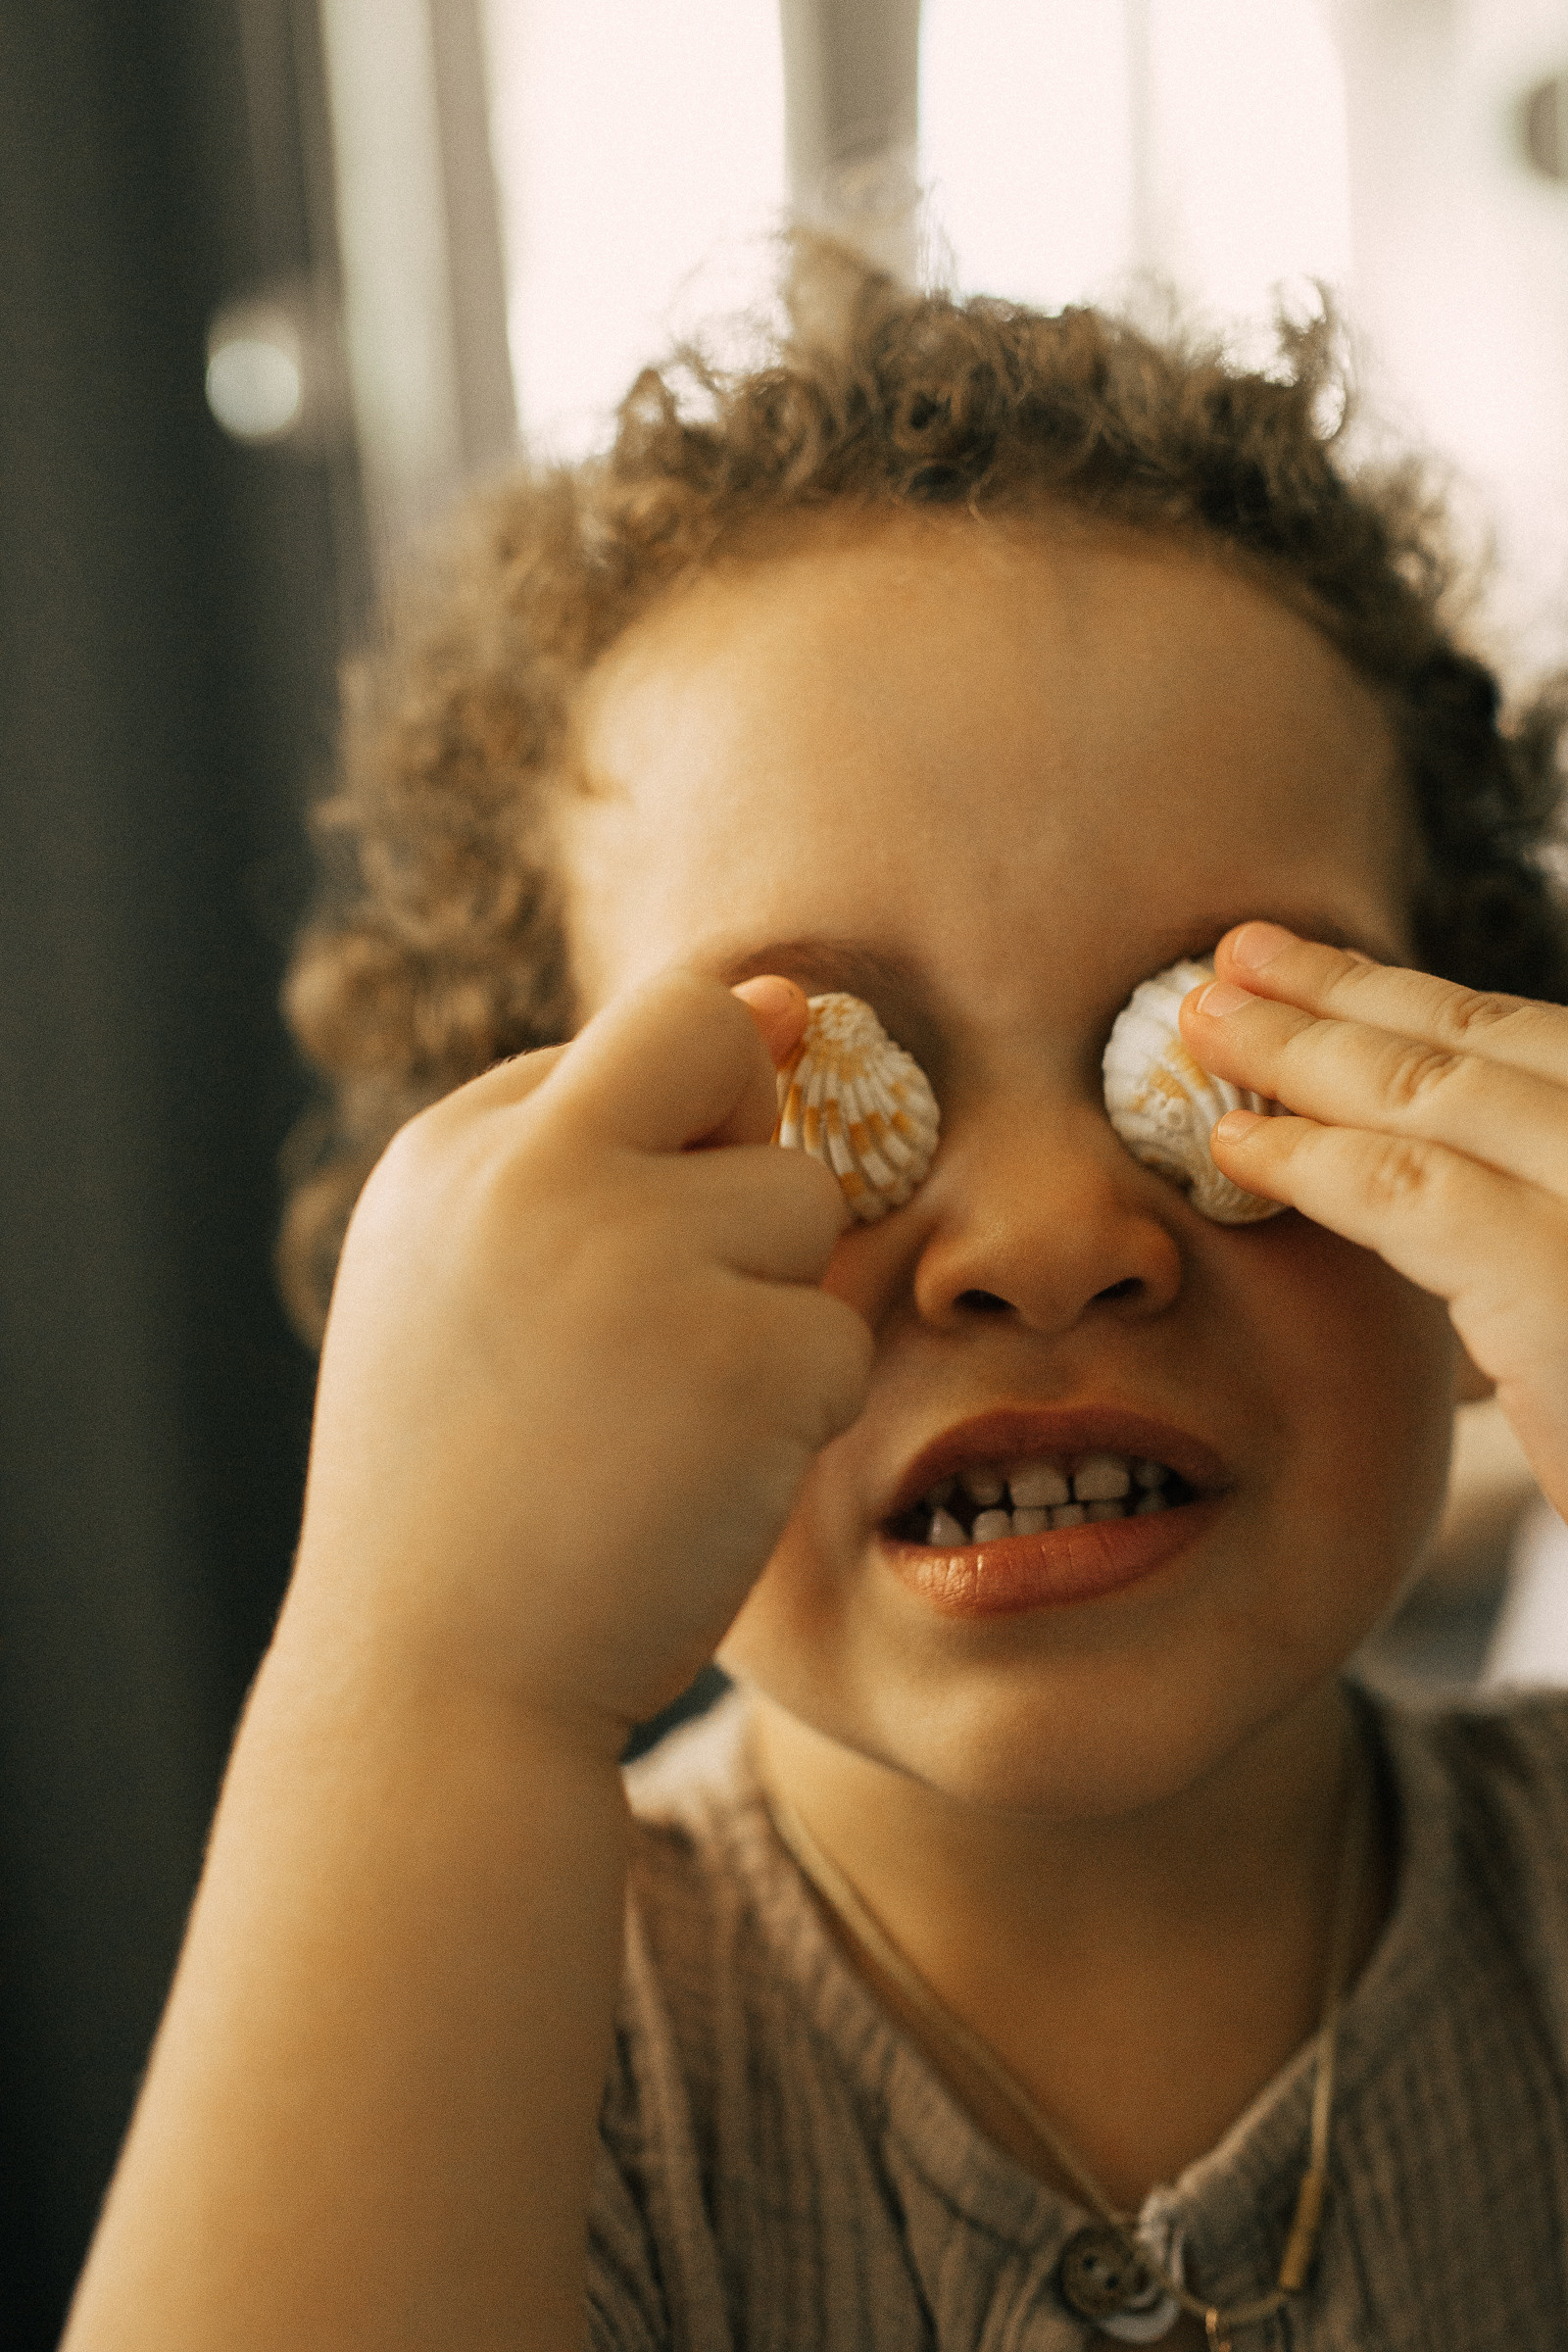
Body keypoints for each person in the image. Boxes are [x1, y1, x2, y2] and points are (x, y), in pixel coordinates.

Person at [63, 242, 1568, 2350]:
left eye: (1225, 1062)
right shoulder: (486, 2035)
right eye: (815, 1089)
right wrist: (441, 1672)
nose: (1043, 1238)